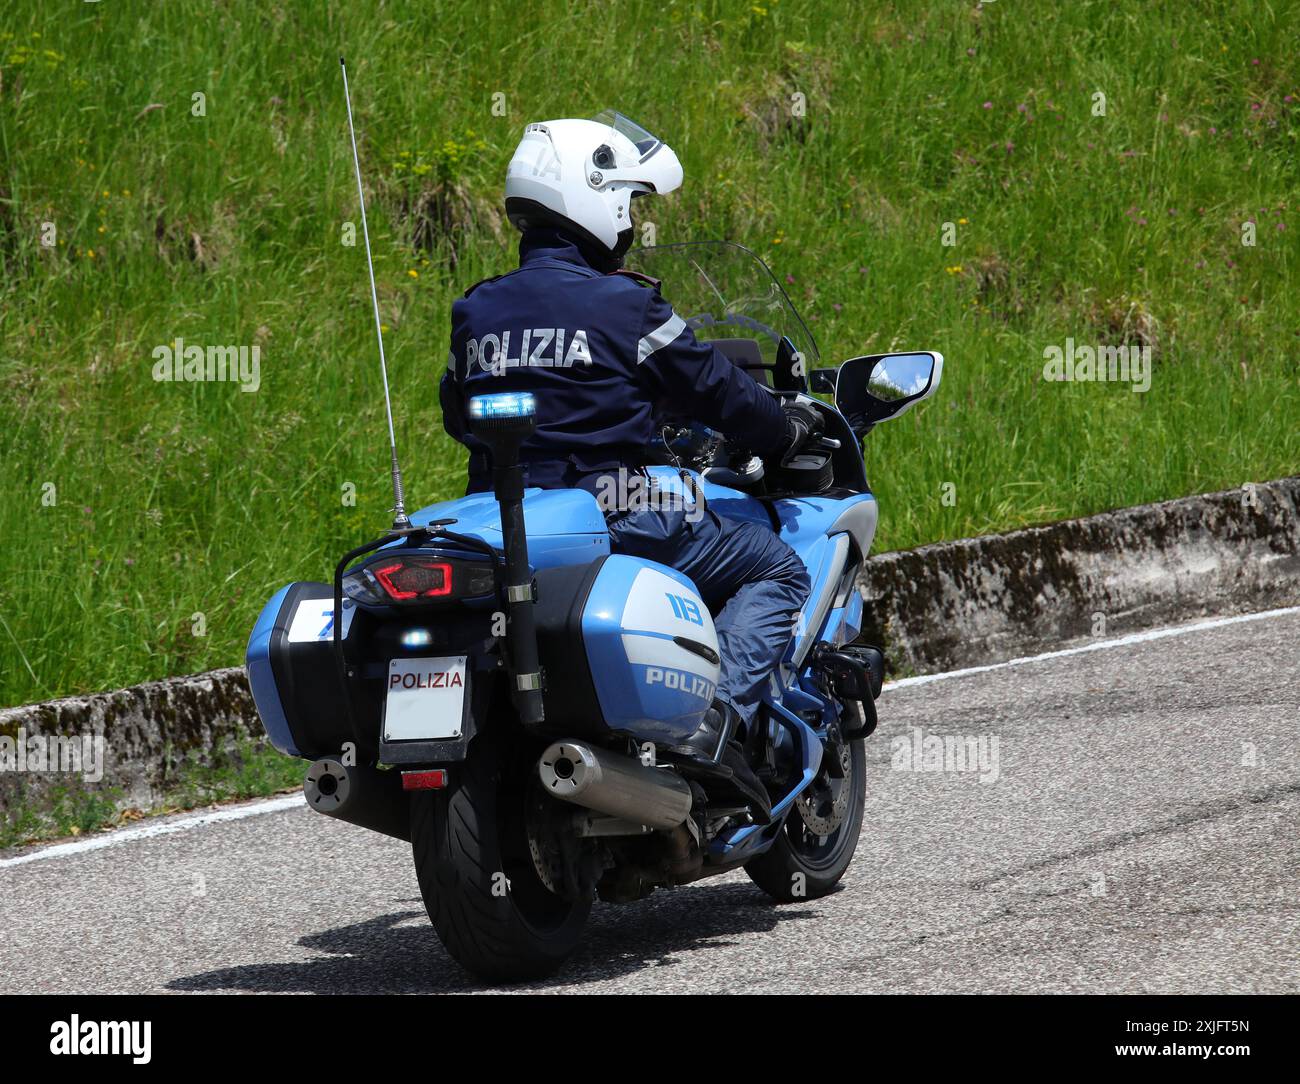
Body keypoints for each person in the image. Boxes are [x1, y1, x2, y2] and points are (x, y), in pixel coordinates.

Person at [439, 112, 823, 818]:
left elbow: (457, 417)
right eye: (630, 201)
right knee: (776, 566)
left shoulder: (477, 310)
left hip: (502, 525)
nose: (631, 219)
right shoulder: (628, 306)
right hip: (614, 512)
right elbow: (717, 389)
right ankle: (720, 725)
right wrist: (783, 429)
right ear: (598, 198)